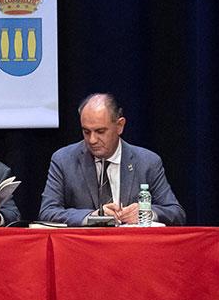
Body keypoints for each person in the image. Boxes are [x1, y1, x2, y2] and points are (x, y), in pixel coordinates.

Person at [39, 93, 186, 226]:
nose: (92, 140)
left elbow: (176, 213)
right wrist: (94, 216)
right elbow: (47, 212)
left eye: (100, 131)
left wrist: (145, 213)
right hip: (84, 250)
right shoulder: (64, 160)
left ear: (119, 126)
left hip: (132, 249)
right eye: (86, 131)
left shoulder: (147, 162)